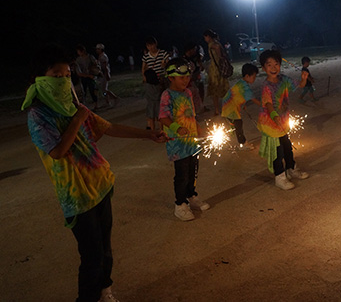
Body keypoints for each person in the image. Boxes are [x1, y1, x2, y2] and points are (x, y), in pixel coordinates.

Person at [21, 43, 167, 302]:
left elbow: (109, 127)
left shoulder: (72, 106)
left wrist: (149, 134)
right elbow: (57, 152)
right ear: (39, 79)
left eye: (67, 76)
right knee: (92, 255)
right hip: (76, 196)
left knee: (105, 249)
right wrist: (78, 119)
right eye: (57, 76)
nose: (64, 81)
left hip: (100, 185)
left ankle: (104, 290)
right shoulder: (39, 114)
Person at [159, 58, 210, 221]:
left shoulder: (188, 92)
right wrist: (177, 128)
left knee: (193, 171)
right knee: (182, 174)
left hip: (192, 141)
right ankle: (180, 204)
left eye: (188, 77)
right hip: (177, 144)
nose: (186, 80)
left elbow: (191, 113)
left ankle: (191, 196)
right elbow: (163, 117)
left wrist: (198, 127)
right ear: (171, 78)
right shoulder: (167, 95)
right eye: (182, 78)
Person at [258, 50, 310, 190]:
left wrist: (304, 78)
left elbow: (299, 85)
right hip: (271, 123)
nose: (273, 68)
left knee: (287, 147)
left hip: (282, 122)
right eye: (269, 65)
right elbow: (268, 105)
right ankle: (279, 177)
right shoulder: (266, 86)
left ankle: (291, 169)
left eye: (276, 64)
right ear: (263, 68)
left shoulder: (283, 79)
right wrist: (275, 117)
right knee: (277, 152)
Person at [221, 63, 260, 150]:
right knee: (238, 124)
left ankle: (233, 128)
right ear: (247, 76)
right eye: (253, 77)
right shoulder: (245, 87)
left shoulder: (241, 83)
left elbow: (239, 96)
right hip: (230, 109)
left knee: (237, 124)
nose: (254, 79)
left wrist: (243, 105)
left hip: (228, 106)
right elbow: (255, 100)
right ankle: (243, 144)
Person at [141, 36, 169, 130]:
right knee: (153, 101)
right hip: (152, 81)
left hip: (162, 79)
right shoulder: (146, 56)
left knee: (163, 101)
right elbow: (143, 68)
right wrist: (145, 78)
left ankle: (164, 124)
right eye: (149, 46)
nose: (151, 47)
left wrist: (165, 65)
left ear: (155, 44)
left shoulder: (163, 53)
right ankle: (154, 125)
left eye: (152, 45)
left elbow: (168, 64)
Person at [203, 29, 229, 116]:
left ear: (208, 37)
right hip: (219, 68)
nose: (205, 39)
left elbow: (217, 49)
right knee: (223, 89)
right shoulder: (217, 42)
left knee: (214, 91)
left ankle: (217, 110)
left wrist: (219, 57)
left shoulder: (212, 44)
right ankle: (226, 107)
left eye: (205, 37)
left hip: (215, 69)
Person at [75, 44, 99, 111]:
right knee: (83, 92)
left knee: (93, 90)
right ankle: (84, 106)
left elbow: (96, 64)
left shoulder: (90, 57)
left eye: (79, 51)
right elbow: (79, 72)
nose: (78, 53)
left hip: (91, 76)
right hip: (84, 77)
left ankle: (96, 104)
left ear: (82, 51)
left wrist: (93, 70)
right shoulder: (78, 60)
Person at [95, 43, 119, 108]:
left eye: (98, 49)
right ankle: (107, 101)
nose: (96, 50)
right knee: (104, 90)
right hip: (102, 74)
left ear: (101, 49)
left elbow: (105, 67)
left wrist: (107, 74)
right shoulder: (100, 56)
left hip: (104, 74)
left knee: (104, 89)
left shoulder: (103, 56)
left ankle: (114, 97)